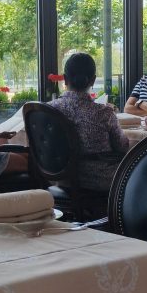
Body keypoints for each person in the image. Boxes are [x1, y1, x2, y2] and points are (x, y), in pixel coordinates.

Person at [50, 52, 129, 192]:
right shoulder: (103, 113)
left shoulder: (49, 109)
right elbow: (122, 147)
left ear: (65, 79)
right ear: (92, 81)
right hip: (100, 179)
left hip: (61, 178)